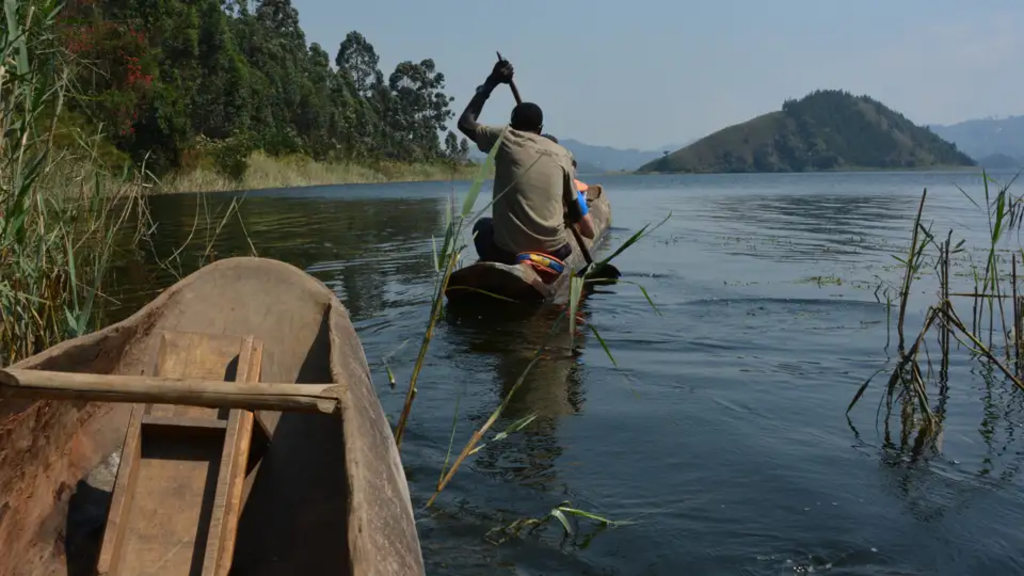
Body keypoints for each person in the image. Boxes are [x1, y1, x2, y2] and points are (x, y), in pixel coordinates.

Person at [457, 58, 595, 265]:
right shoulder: (563, 154)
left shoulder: (504, 138)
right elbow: (576, 212)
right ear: (540, 129)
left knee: (482, 227)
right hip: (556, 252)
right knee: (563, 243)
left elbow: (465, 122)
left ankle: (501, 266)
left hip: (510, 252)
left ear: (512, 126)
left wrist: (491, 82)